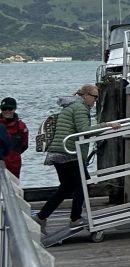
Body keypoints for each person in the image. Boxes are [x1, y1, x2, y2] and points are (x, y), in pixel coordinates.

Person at [36, 84, 100, 231]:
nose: (96, 100)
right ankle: (75, 219)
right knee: (84, 184)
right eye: (94, 97)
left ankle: (41, 217)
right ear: (85, 96)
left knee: (66, 187)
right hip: (69, 153)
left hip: (58, 152)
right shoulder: (80, 108)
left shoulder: (71, 105)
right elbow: (84, 130)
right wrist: (106, 125)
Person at [0, 97, 29, 178]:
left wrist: (14, 155)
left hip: (14, 163)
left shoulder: (21, 126)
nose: (7, 111)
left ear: (14, 109)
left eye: (10, 108)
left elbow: (24, 145)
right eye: (4, 109)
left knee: (14, 187)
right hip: (1, 161)